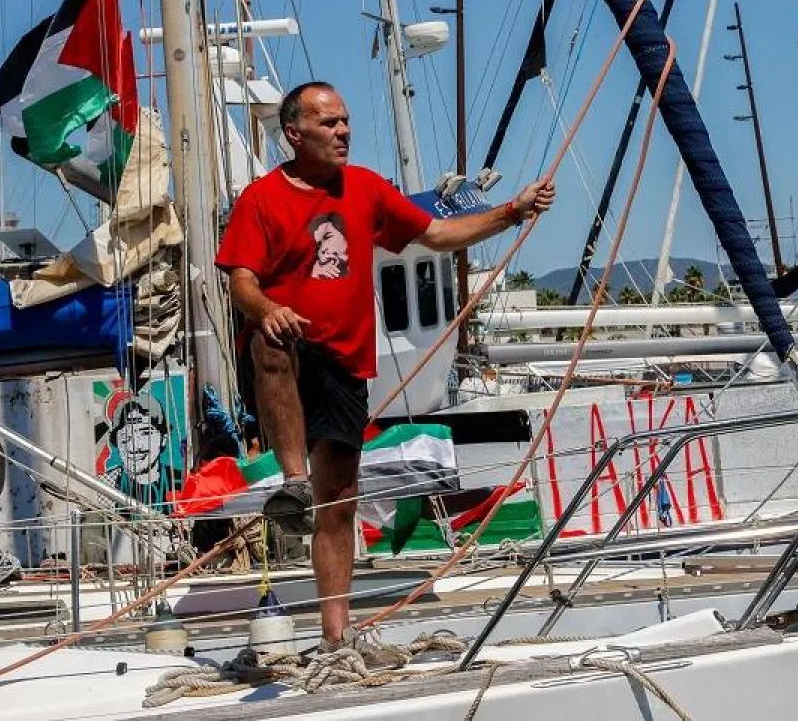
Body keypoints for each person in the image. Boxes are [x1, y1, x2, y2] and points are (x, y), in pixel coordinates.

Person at [215, 80, 554, 653]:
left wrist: (511, 213)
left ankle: (335, 635)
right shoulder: (261, 199)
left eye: (345, 120)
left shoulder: (366, 189)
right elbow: (241, 280)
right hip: (290, 346)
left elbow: (439, 233)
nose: (342, 131)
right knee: (269, 341)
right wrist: (269, 309)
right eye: (328, 123)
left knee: (341, 501)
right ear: (294, 133)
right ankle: (294, 480)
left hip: (346, 359)